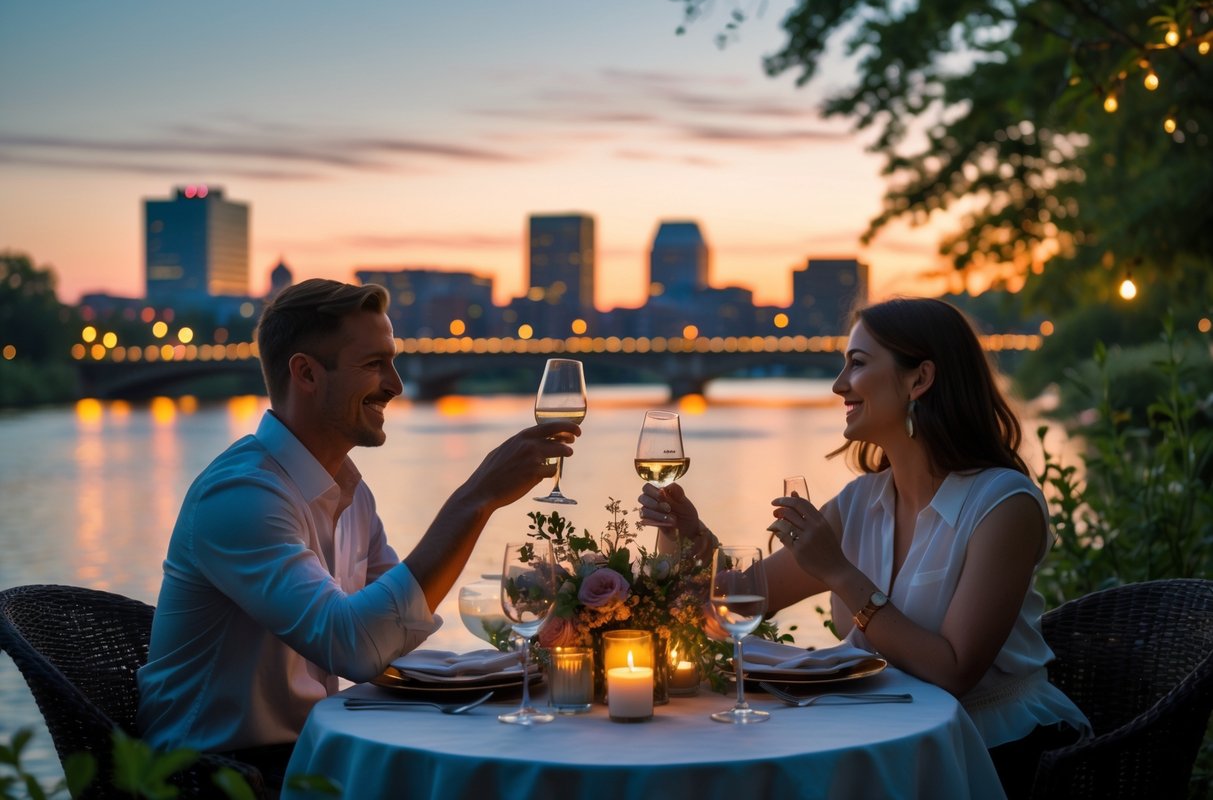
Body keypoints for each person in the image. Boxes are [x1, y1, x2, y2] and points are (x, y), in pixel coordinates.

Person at [137, 278, 579, 789]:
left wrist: (532, 659)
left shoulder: (348, 491)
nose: (396, 384)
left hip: (305, 755)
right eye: (373, 365)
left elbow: (395, 632)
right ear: (305, 373)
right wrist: (475, 498)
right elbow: (354, 645)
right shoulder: (241, 496)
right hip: (214, 776)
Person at [638, 296, 1088, 799]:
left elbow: (953, 672)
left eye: (857, 364)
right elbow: (732, 605)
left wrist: (838, 572)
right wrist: (685, 536)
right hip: (880, 736)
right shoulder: (861, 501)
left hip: (997, 749)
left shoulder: (1002, 505)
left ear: (919, 380)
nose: (837, 385)